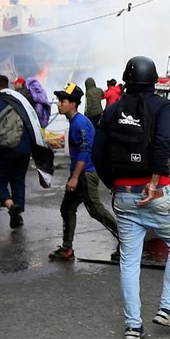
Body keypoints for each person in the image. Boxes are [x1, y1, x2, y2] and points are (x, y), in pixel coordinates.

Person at [93, 56, 170, 339]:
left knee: (129, 261)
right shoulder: (163, 106)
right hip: (156, 191)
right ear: (154, 80)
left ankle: (133, 327)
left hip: (122, 196)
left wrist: (114, 184)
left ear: (126, 80)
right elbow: (162, 143)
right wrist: (152, 182)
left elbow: (97, 154)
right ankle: (167, 309)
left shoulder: (112, 110)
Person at [48, 82, 118, 261]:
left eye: (63, 101)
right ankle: (67, 248)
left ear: (73, 103)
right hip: (79, 173)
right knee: (67, 208)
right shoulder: (75, 121)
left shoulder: (80, 123)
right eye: (59, 100)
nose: (59, 104)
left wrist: (75, 177)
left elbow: (85, 151)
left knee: (95, 210)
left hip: (85, 173)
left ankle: (127, 240)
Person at [0, 75, 41, 229]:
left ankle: (10, 205)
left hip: (2, 150)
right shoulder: (20, 101)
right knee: (18, 179)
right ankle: (18, 213)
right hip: (23, 148)